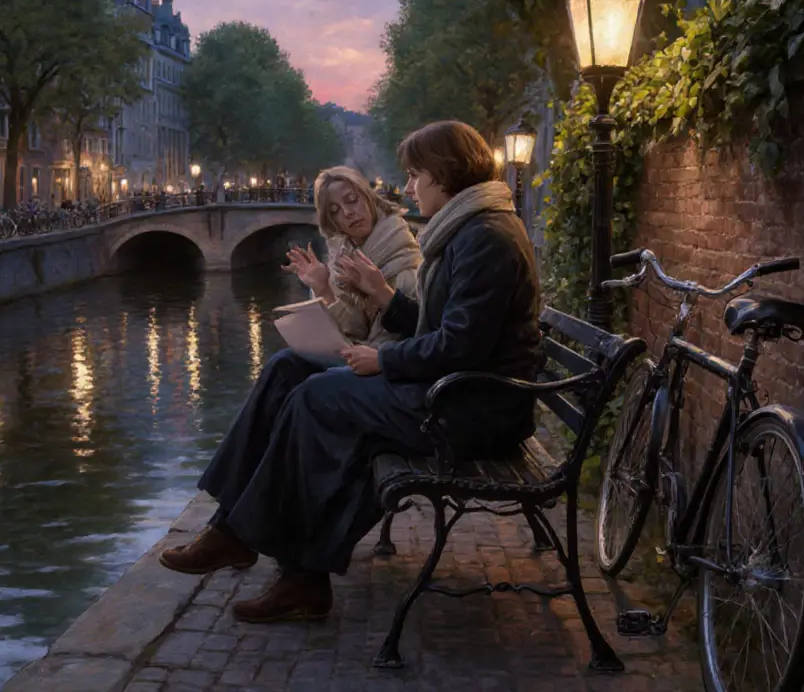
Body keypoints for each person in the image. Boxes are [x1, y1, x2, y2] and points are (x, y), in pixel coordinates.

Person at [159, 120, 541, 624]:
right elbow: (439, 326)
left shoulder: (485, 237)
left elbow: (461, 344)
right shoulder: (471, 229)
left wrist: (383, 359)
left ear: (444, 174)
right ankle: (242, 536)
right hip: (460, 392)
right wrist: (386, 301)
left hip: (474, 408)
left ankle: (279, 563)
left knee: (316, 399)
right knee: (290, 369)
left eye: (414, 175)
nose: (407, 188)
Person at [280, 166, 422, 347]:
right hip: (356, 354)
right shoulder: (342, 257)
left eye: (352, 200)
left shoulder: (403, 255)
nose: (347, 213)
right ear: (332, 222)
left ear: (369, 198)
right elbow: (355, 330)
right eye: (334, 211)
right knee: (284, 360)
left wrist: (378, 290)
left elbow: (399, 336)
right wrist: (323, 289)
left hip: (389, 359)